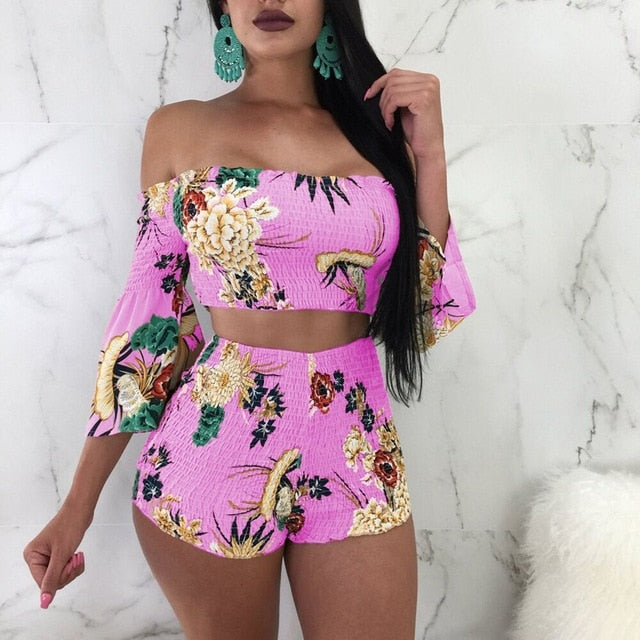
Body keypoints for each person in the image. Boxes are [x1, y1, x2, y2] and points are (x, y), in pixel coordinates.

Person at [23, 1, 476, 638]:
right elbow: (150, 325)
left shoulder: (379, 137)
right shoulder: (179, 130)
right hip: (210, 454)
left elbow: (427, 311)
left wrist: (429, 157)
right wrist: (77, 508)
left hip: (357, 449)